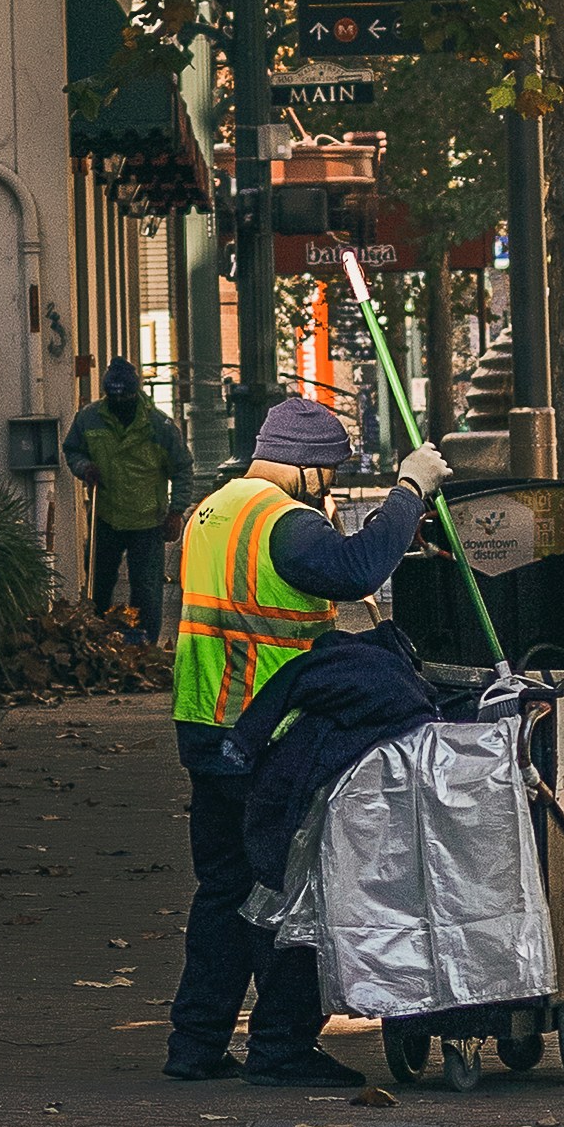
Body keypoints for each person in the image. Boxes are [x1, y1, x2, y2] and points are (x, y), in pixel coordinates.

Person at [163, 398, 448, 1086]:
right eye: (329, 473)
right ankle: (281, 1046)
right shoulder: (281, 520)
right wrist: (407, 490)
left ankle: (195, 1044)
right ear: (307, 464)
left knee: (225, 890)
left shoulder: (215, 509)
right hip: (272, 736)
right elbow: (355, 571)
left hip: (208, 723)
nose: (328, 487)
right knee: (296, 891)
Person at [60, 359, 191, 643]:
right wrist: (85, 467)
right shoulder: (89, 419)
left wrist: (175, 512)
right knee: (98, 586)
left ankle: (143, 644)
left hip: (147, 522)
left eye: (126, 396)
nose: (120, 402)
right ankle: (98, 641)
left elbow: (181, 468)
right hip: (105, 518)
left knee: (146, 588)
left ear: (135, 393)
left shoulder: (159, 426)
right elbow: (72, 450)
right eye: (114, 396)